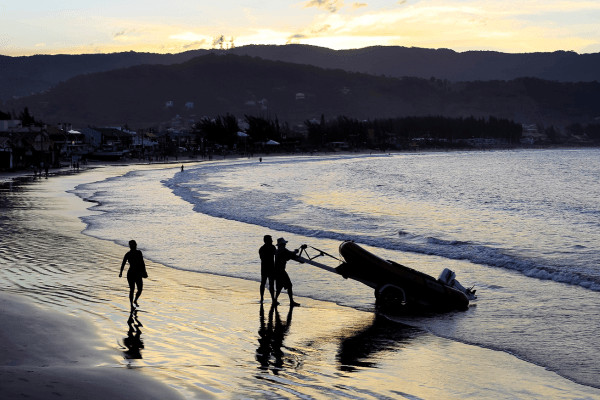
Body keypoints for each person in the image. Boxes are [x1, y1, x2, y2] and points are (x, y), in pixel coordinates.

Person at [119, 240, 148, 309]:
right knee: (132, 289)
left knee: (140, 289)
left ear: (136, 245)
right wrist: (121, 272)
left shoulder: (139, 253)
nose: (131, 246)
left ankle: (135, 300)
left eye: (132, 244)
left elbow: (142, 263)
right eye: (130, 245)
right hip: (131, 274)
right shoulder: (128, 254)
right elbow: (123, 263)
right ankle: (131, 304)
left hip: (138, 273)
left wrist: (144, 271)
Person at [274, 238, 301, 306]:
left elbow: (286, 258)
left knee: (279, 287)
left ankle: (275, 300)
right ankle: (291, 302)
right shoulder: (283, 249)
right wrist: (295, 251)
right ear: (283, 244)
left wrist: (294, 254)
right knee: (289, 285)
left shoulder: (278, 251)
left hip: (277, 270)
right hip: (281, 270)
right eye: (284, 243)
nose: (285, 244)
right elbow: (291, 254)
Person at [259, 235, 277, 303]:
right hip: (265, 268)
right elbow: (262, 258)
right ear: (266, 241)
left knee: (271, 284)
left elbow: (277, 255)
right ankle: (261, 298)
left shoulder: (273, 247)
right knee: (263, 283)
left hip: (272, 268)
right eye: (270, 239)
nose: (272, 241)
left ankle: (273, 299)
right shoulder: (262, 249)